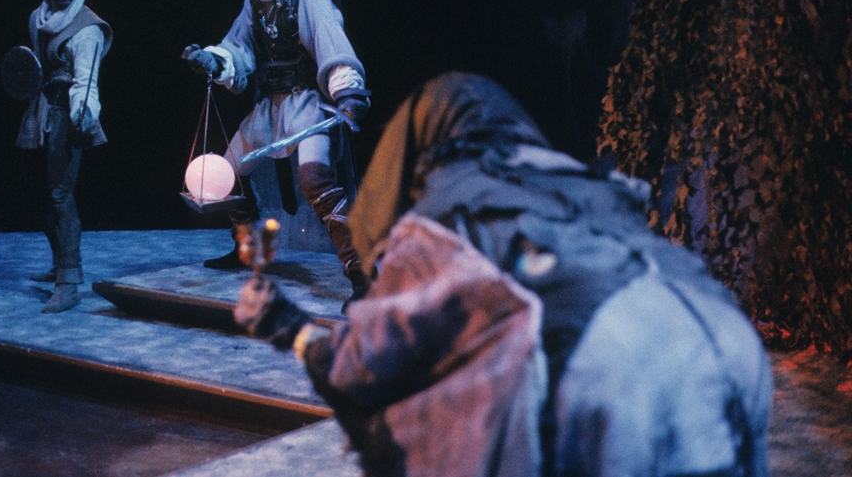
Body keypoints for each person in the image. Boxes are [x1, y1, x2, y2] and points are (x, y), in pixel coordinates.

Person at [235, 73, 773, 477]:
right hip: (726, 337)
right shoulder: (581, 184)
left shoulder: (448, 211)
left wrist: (289, 327)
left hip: (612, 374)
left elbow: (363, 366)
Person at [183, 0, 371, 303]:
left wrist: (347, 89)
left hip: (307, 103)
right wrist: (215, 60)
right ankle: (248, 248)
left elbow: (330, 41)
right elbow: (240, 45)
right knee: (228, 173)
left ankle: (361, 273)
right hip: (271, 106)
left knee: (315, 180)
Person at [16, 0, 112, 313]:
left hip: (70, 114)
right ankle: (60, 263)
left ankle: (69, 283)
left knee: (60, 194)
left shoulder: (87, 29)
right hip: (41, 109)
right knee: (39, 192)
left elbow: (87, 81)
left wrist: (82, 115)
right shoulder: (37, 18)